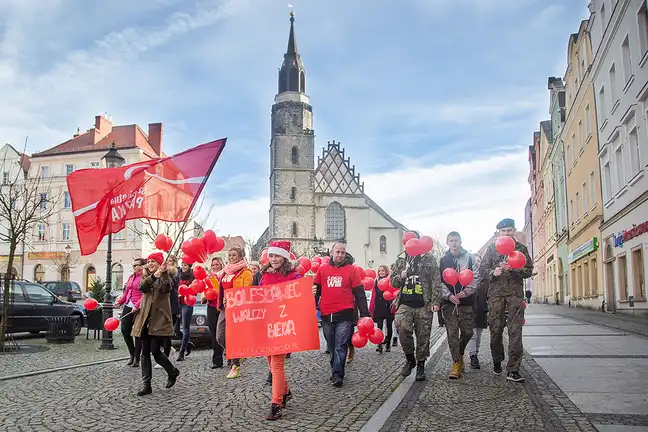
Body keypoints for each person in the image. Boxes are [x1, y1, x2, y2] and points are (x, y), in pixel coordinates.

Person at [475, 218, 533, 383]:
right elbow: (482, 270)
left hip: (515, 295)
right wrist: (494, 272)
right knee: (495, 330)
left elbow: (528, 270)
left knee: (515, 331)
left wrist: (513, 269)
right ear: (498, 232)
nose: (506, 233)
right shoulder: (492, 249)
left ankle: (513, 369)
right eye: (503, 231)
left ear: (514, 230)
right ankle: (497, 360)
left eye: (509, 230)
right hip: (495, 295)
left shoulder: (520, 248)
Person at [314, 242, 369, 388]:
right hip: (326, 314)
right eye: (337, 252)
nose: (340, 255)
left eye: (342, 252)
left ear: (345, 254)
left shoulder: (352, 270)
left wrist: (365, 313)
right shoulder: (323, 269)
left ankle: (338, 375)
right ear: (331, 252)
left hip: (345, 314)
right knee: (331, 346)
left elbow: (359, 293)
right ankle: (335, 368)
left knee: (341, 345)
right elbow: (316, 291)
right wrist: (311, 307)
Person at [390, 232, 442, 381]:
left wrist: (435, 302)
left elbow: (436, 281)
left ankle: (420, 364)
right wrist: (402, 276)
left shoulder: (428, 259)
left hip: (424, 304)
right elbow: (393, 281)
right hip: (405, 303)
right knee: (401, 327)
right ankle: (410, 358)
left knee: (423, 336)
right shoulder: (401, 259)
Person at [259, 241, 300, 421]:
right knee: (270, 362)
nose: (274, 259)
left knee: (276, 365)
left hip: (284, 326)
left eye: (277, 256)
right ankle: (286, 392)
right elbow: (257, 298)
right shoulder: (264, 277)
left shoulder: (294, 276)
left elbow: (301, 297)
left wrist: (311, 291)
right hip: (267, 325)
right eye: (271, 256)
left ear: (284, 257)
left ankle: (276, 405)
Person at [132, 252, 180, 396]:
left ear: (160, 263)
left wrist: (163, 273)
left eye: (154, 261)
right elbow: (142, 288)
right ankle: (147, 385)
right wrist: (154, 276)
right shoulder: (146, 277)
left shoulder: (167, 276)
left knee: (155, 351)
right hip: (145, 318)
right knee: (144, 351)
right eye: (149, 261)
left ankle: (172, 372)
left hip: (158, 319)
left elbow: (167, 288)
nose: (151, 263)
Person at [439, 231, 478, 379]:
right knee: (453, 334)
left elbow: (476, 276)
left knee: (468, 332)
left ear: (460, 241)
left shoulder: (469, 257)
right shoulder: (443, 260)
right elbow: (439, 281)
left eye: (456, 240)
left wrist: (466, 292)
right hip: (449, 304)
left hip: (466, 302)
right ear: (447, 243)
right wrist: (448, 295)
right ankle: (456, 363)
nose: (454, 243)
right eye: (451, 241)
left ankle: (460, 353)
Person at [216, 246, 253, 379]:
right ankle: (237, 352)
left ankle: (235, 366)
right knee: (220, 336)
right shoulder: (225, 272)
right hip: (225, 308)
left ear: (240, 257)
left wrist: (233, 298)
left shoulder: (246, 272)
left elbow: (246, 290)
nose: (231, 257)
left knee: (234, 337)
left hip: (237, 309)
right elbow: (221, 288)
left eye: (234, 255)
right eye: (230, 255)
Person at [116, 258, 145, 367]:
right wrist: (120, 301)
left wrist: (137, 306)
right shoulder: (131, 277)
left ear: (142, 266)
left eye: (135, 265)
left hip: (139, 307)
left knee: (137, 333)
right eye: (133, 265)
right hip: (128, 306)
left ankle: (137, 358)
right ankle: (131, 354)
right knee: (125, 330)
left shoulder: (145, 277)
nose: (133, 267)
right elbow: (127, 291)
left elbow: (145, 295)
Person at [158, 255, 180, 367]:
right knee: (161, 331)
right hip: (162, 305)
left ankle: (165, 356)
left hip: (172, 305)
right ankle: (169, 349)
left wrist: (166, 273)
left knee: (166, 331)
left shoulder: (176, 273)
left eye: (171, 261)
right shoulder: (161, 272)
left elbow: (173, 285)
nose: (168, 263)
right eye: (167, 261)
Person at [205, 257, 225, 369]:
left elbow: (219, 289)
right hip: (211, 306)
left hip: (222, 306)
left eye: (217, 264)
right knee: (213, 333)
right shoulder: (208, 277)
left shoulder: (225, 275)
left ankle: (231, 357)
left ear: (221, 265)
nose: (215, 267)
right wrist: (205, 296)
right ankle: (217, 360)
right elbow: (206, 289)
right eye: (213, 265)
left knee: (223, 332)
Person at [369, 265, 394, 354]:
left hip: (388, 307)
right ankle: (379, 345)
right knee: (379, 327)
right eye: (379, 271)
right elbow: (373, 295)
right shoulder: (376, 281)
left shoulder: (390, 281)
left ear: (386, 271)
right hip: (379, 307)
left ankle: (388, 344)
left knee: (389, 326)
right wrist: (371, 307)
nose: (381, 272)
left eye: (383, 270)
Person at [176, 260, 195, 361]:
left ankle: (182, 352)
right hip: (177, 304)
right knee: (175, 329)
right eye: (182, 265)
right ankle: (188, 344)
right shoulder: (178, 275)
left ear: (189, 266)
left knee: (185, 328)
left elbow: (195, 290)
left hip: (187, 304)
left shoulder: (193, 276)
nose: (183, 267)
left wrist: (185, 293)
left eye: (186, 265)